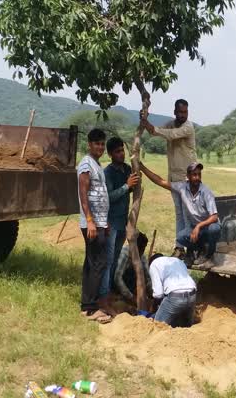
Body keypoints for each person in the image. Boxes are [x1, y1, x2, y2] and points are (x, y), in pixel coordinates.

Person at [140, 99, 197, 258]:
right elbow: (154, 131)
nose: (182, 115)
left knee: (188, 214)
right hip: (174, 178)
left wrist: (150, 126)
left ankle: (192, 248)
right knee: (180, 214)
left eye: (184, 112)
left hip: (188, 179)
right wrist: (145, 121)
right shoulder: (170, 123)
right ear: (174, 111)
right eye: (179, 112)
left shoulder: (188, 127)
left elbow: (171, 135)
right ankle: (180, 247)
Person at [139, 161, 220, 268]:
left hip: (207, 227)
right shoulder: (182, 188)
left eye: (199, 174)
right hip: (195, 228)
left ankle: (209, 256)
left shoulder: (206, 192)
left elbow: (214, 217)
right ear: (188, 176)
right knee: (181, 237)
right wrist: (142, 168)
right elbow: (160, 181)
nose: (197, 177)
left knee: (214, 228)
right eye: (194, 175)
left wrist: (199, 226)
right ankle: (197, 250)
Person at [77, 128, 112, 323]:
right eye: (97, 143)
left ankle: (87, 305)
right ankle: (90, 309)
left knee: (91, 263)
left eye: (102, 144)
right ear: (89, 144)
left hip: (98, 222)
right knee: (98, 263)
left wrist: (103, 221)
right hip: (91, 223)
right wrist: (90, 221)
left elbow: (99, 193)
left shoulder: (96, 164)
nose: (100, 147)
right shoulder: (86, 165)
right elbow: (84, 194)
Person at [101, 137, 140, 300]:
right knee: (108, 259)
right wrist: (127, 186)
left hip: (122, 222)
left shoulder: (126, 169)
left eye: (122, 150)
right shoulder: (107, 173)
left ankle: (111, 287)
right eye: (117, 152)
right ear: (110, 154)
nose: (121, 154)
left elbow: (129, 191)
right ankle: (104, 293)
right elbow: (108, 197)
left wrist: (133, 186)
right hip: (111, 223)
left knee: (116, 257)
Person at [148, 253, 197, 328]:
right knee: (185, 328)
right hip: (192, 295)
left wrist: (157, 308)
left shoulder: (154, 265)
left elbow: (158, 294)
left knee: (157, 326)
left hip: (175, 298)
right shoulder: (177, 261)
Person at [114, 232, 152, 303]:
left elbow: (148, 277)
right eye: (140, 249)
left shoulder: (142, 257)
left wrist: (153, 294)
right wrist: (131, 297)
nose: (141, 252)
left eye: (143, 249)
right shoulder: (124, 254)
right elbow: (117, 278)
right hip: (119, 286)